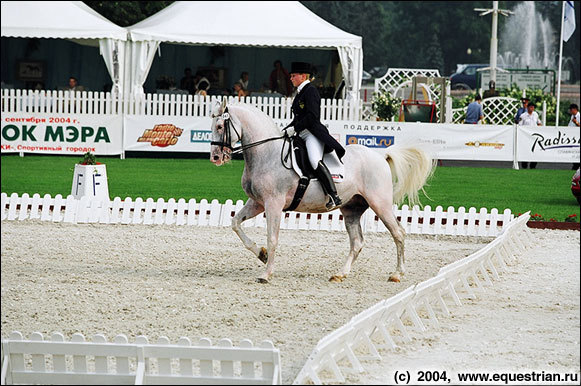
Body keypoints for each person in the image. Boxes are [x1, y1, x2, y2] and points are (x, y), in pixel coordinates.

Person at [284, 62, 345, 210]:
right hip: (301, 133)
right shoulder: (300, 92)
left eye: (293, 76)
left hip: (312, 134)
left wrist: (295, 128)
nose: (291, 78)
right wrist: (286, 129)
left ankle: (333, 195)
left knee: (314, 160)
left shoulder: (310, 91)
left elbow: (312, 116)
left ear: (303, 76)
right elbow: (298, 117)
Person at [518, 102, 542, 169]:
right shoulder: (523, 116)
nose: (532, 108)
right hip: (526, 136)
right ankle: (524, 165)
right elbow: (519, 126)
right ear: (527, 108)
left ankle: (533, 165)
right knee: (525, 150)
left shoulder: (535, 114)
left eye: (533, 107)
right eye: (530, 107)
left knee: (535, 150)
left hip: (534, 136)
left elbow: (539, 123)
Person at [568, 103, 580, 169]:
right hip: (572, 136)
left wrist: (576, 122)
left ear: (574, 109)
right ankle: (575, 165)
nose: (570, 111)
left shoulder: (579, 116)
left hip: (577, 137)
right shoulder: (572, 116)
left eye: (571, 110)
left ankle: (576, 165)